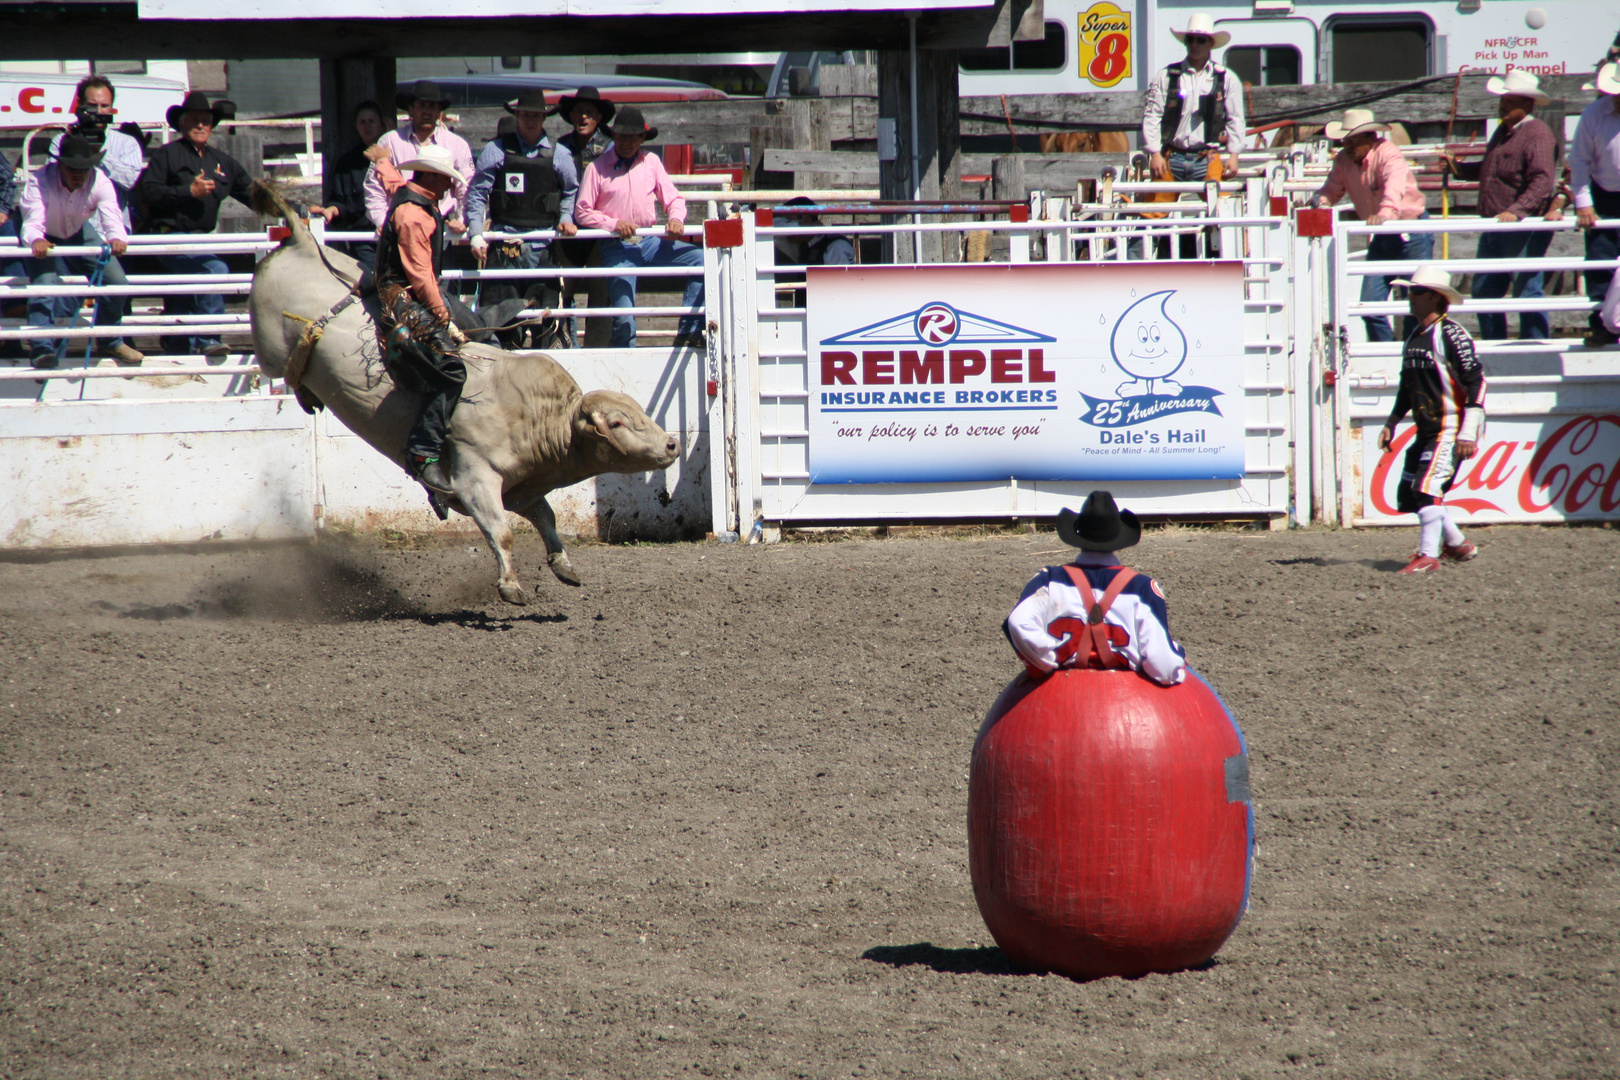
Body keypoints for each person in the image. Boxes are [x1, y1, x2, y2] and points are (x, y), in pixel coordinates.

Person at [1004, 491, 1187, 686]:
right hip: (1125, 701)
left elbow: (1018, 622)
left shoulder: (1048, 580)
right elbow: (1164, 668)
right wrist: (1178, 654)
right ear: (1118, 537)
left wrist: (1045, 661)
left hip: (1059, 695)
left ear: (1077, 534)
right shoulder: (1142, 588)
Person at [371, 144, 469, 495]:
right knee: (452, 369)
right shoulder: (414, 215)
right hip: (401, 296)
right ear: (430, 176)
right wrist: (443, 318)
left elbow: (389, 177)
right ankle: (423, 451)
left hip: (401, 286)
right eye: (445, 179)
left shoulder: (407, 194)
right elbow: (421, 275)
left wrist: (381, 159)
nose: (448, 187)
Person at [1377, 265, 1485, 575]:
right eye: (1408, 291)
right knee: (1413, 492)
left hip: (1450, 427)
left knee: (1426, 490)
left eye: (1415, 292)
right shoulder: (1414, 335)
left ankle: (1428, 554)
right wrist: (1392, 421)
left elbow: (1476, 381)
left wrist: (1468, 431)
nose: (1409, 297)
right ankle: (1456, 543)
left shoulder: (1450, 333)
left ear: (1434, 298)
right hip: (1428, 427)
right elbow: (1406, 385)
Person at [573, 105, 704, 348]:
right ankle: (626, 368)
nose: (626, 142)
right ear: (614, 137)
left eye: (632, 137)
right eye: (621, 136)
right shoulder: (596, 168)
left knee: (701, 260)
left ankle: (690, 332)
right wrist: (613, 224)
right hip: (616, 246)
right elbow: (582, 211)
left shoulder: (652, 162)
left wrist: (676, 218)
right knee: (624, 318)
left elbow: (674, 198)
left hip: (650, 242)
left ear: (642, 138)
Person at [136, 91, 255, 358]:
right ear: (182, 124)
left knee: (188, 289)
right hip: (167, 238)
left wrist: (298, 210)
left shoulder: (222, 162)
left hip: (200, 240)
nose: (200, 125)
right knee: (214, 268)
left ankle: (177, 345)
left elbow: (253, 194)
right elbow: (149, 193)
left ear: (212, 126)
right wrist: (187, 191)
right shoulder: (167, 155)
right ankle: (208, 337)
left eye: (205, 120)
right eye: (194, 120)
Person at [1445, 70, 1557, 341]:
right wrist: (1458, 169)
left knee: (1526, 290)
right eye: (1503, 100)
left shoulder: (1538, 135)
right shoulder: (1504, 131)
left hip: (1520, 227)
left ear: (1528, 104)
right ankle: (1496, 348)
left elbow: (1542, 181)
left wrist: (1516, 211)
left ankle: (1535, 349)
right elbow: (1491, 170)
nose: (1503, 105)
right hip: (1497, 225)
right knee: (1484, 291)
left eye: (1510, 100)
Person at [465, 88, 579, 348]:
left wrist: (565, 215)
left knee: (546, 324)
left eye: (536, 116)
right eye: (525, 114)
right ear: (517, 115)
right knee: (500, 324)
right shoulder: (496, 150)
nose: (530, 120)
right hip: (504, 247)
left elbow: (571, 190)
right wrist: (476, 234)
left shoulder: (559, 154)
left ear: (544, 118)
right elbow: (477, 193)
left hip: (543, 247)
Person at [21, 134, 142, 370]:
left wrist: (117, 237)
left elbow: (112, 215)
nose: (79, 174)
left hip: (77, 229)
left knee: (118, 283)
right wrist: (36, 239)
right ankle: (41, 347)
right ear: (60, 166)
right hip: (44, 233)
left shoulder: (100, 181)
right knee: (44, 284)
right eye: (72, 168)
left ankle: (109, 339)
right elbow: (33, 219)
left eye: (84, 169)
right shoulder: (40, 180)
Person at [1312, 108, 1430, 343]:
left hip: (1410, 229)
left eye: (1354, 139)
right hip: (1384, 234)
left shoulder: (1388, 154)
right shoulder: (1343, 160)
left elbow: (1393, 187)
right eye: (1345, 139)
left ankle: (1411, 355)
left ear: (1370, 138)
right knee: (1370, 306)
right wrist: (1321, 201)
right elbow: (1331, 189)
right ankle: (1388, 355)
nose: (1348, 145)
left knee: (1416, 304)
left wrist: (1384, 214)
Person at [1141, 12, 1244, 183]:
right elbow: (1153, 115)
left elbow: (1235, 118)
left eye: (1200, 39)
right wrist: (1155, 153)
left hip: (1207, 156)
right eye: (1190, 39)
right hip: (1170, 155)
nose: (1194, 44)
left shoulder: (1227, 78)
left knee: (1219, 207)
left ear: (1210, 43)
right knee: (1156, 209)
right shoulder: (1165, 76)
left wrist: (1234, 155)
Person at [364, 81, 474, 239]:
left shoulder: (457, 145)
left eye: (432, 106)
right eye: (422, 105)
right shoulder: (389, 141)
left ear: (439, 112)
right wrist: (382, 221)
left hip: (441, 226)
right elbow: (374, 188)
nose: (427, 112)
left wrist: (462, 220)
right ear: (411, 109)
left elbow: (466, 186)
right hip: (399, 226)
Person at [49, 76, 146, 225]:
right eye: (92, 105)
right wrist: (71, 148)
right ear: (80, 105)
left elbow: (130, 181)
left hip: (113, 229)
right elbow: (52, 181)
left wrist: (99, 154)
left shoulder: (126, 142)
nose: (99, 112)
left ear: (112, 107)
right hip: (73, 227)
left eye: (105, 106)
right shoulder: (61, 141)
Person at [1570, 62, 1620, 348]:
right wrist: (1584, 202)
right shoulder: (1593, 115)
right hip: (1603, 194)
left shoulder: (1594, 114)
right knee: (1600, 260)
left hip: (1605, 189)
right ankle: (1601, 325)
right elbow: (1579, 160)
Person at [313, 100, 388, 267]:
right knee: (373, 280)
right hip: (362, 239)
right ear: (356, 126)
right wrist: (331, 211)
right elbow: (339, 202)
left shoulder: (397, 156)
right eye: (362, 122)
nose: (367, 126)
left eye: (372, 121)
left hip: (393, 233)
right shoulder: (346, 164)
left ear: (382, 124)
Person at [772, 195, 854, 307]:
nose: (787, 232)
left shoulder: (836, 245)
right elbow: (772, 225)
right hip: (808, 312)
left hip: (829, 312)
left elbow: (846, 289)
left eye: (789, 222)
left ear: (805, 218)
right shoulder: (800, 245)